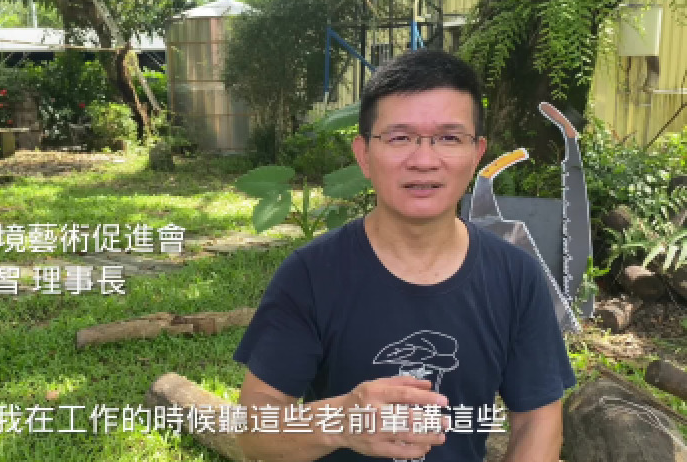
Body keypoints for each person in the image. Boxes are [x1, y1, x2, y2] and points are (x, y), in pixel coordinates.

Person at [232, 49, 576, 462]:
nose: (424, 161)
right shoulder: (310, 274)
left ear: (476, 154)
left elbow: (538, 420)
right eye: (399, 138)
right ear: (364, 155)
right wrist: (341, 421)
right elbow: (254, 431)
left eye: (449, 138)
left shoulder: (516, 276)